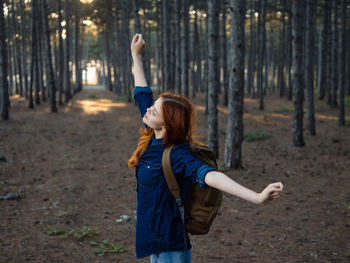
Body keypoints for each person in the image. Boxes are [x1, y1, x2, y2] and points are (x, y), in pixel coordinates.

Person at [128, 33, 284, 263]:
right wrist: (136, 56)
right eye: (152, 106)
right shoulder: (152, 132)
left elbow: (210, 176)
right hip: (152, 239)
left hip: (170, 245)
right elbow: (142, 92)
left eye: (155, 110)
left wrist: (257, 197)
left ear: (168, 123)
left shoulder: (177, 153)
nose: (148, 110)